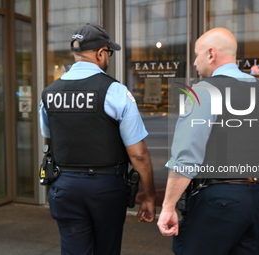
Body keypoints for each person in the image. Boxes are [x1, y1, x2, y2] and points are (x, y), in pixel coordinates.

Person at [157, 27, 259, 255]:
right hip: (256, 199)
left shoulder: (203, 91)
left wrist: (168, 206)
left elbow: (186, 158)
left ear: (210, 54)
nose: (194, 62)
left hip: (216, 202)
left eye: (196, 54)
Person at [39, 23, 156, 255]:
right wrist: (149, 196)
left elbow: (50, 135)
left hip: (64, 186)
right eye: (108, 53)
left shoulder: (49, 92)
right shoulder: (115, 91)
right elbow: (138, 154)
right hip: (105, 188)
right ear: (101, 53)